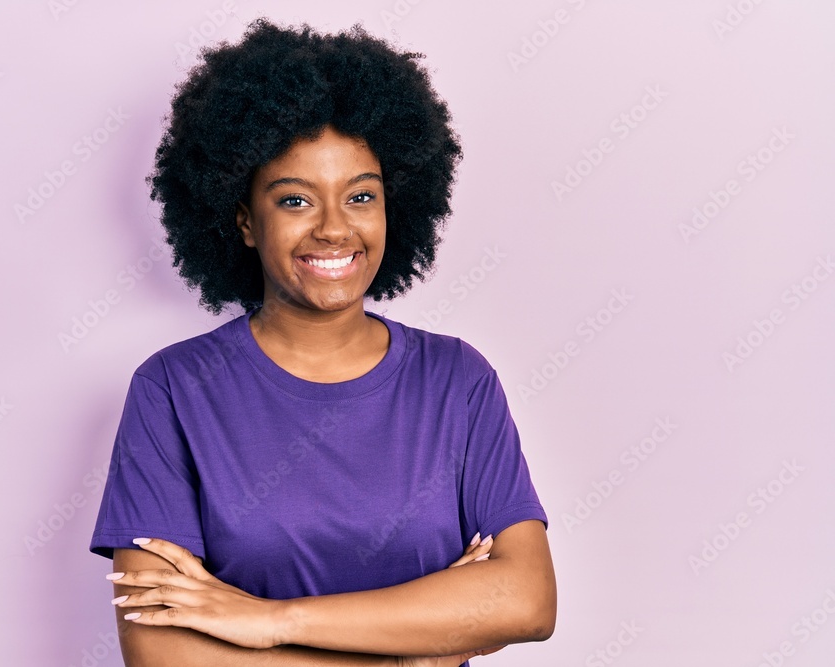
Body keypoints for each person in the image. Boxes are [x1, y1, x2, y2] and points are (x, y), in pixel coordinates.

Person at [89, 17, 556, 666]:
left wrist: (268, 621)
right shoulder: (173, 389)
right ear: (244, 219)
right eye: (295, 201)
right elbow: (161, 654)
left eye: (360, 196)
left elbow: (527, 601)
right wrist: (406, 657)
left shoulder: (457, 379)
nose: (335, 228)